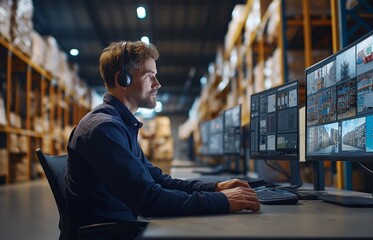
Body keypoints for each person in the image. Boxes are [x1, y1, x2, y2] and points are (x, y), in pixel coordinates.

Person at [65, 40, 260, 239]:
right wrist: (222, 201)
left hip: (122, 226)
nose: (157, 84)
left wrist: (215, 187)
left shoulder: (119, 125)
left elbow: (158, 180)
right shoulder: (103, 129)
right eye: (150, 76)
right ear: (123, 79)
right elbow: (149, 200)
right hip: (112, 234)